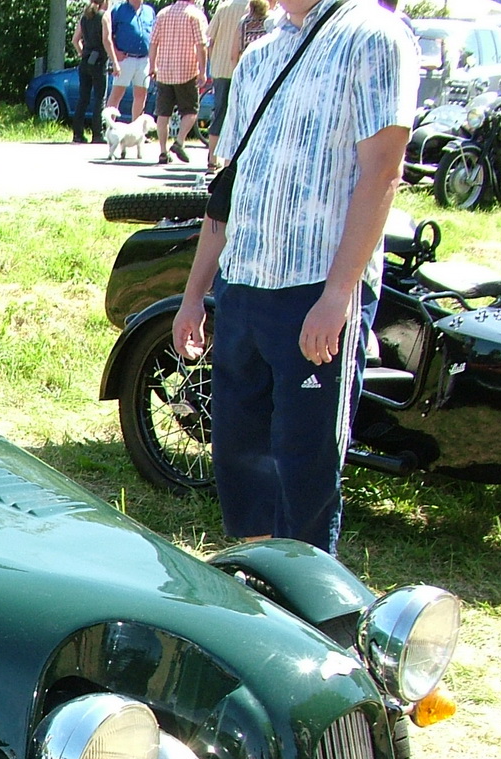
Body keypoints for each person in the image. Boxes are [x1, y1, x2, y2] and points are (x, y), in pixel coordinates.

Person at [171, 0, 417, 555]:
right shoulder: (260, 55)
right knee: (240, 456)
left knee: (304, 462)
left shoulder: (374, 35)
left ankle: (305, 593)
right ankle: (258, 578)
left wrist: (338, 295)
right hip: (243, 284)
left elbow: (383, 172)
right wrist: (194, 296)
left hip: (315, 288)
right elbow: (228, 188)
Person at [148, 0, 207, 164]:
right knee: (191, 111)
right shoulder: (195, 15)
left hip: (164, 71)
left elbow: (153, 43)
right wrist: (203, 71)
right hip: (187, 70)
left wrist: (152, 66)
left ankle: (162, 151)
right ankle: (179, 141)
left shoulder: (162, 14)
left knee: (163, 113)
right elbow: (201, 45)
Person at [206, 0, 248, 170]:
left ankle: (212, 159)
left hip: (220, 68)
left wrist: (213, 62)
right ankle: (229, 161)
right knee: (239, 117)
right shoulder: (253, 6)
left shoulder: (223, 7)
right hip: (242, 69)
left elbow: (210, 40)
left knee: (219, 114)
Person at [105, 0, 156, 125]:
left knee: (141, 95)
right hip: (125, 58)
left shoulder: (149, 11)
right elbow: (108, 34)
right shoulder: (118, 10)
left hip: (144, 59)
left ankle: (137, 130)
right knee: (117, 94)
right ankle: (109, 127)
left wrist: (154, 62)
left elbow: (154, 36)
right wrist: (115, 53)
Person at [73, 0, 115, 143]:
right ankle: (98, 134)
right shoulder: (104, 16)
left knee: (83, 98)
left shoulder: (85, 17)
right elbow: (107, 40)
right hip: (99, 62)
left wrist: (82, 53)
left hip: (85, 61)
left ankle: (77, 134)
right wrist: (115, 63)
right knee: (99, 98)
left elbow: (75, 40)